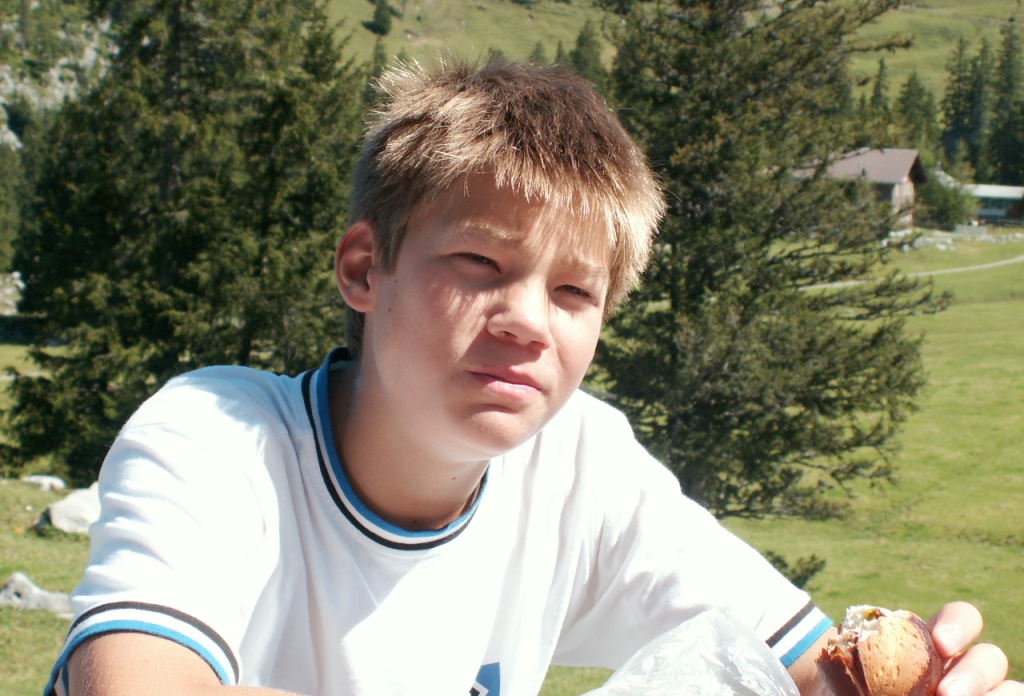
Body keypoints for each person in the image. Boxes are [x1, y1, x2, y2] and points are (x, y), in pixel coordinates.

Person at [47, 59, 1019, 696]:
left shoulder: (583, 464)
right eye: (479, 264)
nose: (526, 319)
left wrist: (911, 677)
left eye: (573, 291)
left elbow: (807, 667)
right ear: (365, 268)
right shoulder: (219, 435)